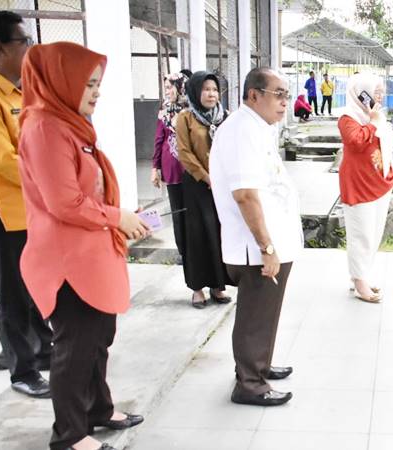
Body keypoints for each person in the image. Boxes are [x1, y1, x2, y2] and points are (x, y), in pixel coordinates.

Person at [19, 41, 148, 450]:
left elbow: (84, 190)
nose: (96, 92)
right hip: (66, 261)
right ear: (62, 81)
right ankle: (71, 435)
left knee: (98, 337)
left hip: (90, 255)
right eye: (88, 83)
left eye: (97, 83)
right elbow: (63, 201)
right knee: (74, 347)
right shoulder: (44, 127)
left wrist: (120, 213)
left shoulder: (69, 124)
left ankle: (99, 409)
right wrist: (117, 217)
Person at [210, 68, 301, 406]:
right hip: (256, 247)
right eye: (278, 94)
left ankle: (258, 365)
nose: (284, 102)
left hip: (267, 243)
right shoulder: (239, 131)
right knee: (255, 314)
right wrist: (267, 246)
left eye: (286, 95)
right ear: (253, 95)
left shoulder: (256, 128)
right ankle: (250, 383)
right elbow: (245, 195)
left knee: (265, 312)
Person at [0, 10, 53, 396]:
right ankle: (22, 371)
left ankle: (43, 348)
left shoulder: (21, 91)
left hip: (32, 209)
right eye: (23, 41)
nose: (29, 48)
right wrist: (49, 177)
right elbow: (3, 160)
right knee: (12, 292)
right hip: (6, 213)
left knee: (34, 284)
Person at [176, 71, 232, 308]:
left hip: (222, 186)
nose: (211, 94)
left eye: (214, 89)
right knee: (197, 235)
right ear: (195, 92)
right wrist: (207, 177)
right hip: (196, 185)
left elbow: (231, 147)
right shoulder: (185, 118)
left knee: (219, 234)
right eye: (206, 89)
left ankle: (217, 286)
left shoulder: (225, 117)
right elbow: (184, 153)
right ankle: (197, 288)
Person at [338, 73, 393, 303]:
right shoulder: (347, 118)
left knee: (373, 235)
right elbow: (356, 141)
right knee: (360, 235)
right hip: (358, 184)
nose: (380, 95)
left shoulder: (378, 116)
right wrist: (372, 122)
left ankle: (361, 275)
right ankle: (359, 280)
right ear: (361, 93)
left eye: (381, 90)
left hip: (380, 183)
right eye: (375, 90)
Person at [151, 71, 188, 258]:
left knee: (193, 212)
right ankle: (183, 253)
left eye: (169, 87)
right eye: (165, 87)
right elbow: (159, 139)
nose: (166, 91)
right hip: (171, 168)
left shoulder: (191, 109)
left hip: (191, 169)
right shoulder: (164, 110)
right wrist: (155, 168)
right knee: (177, 213)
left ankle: (195, 250)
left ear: (180, 87)